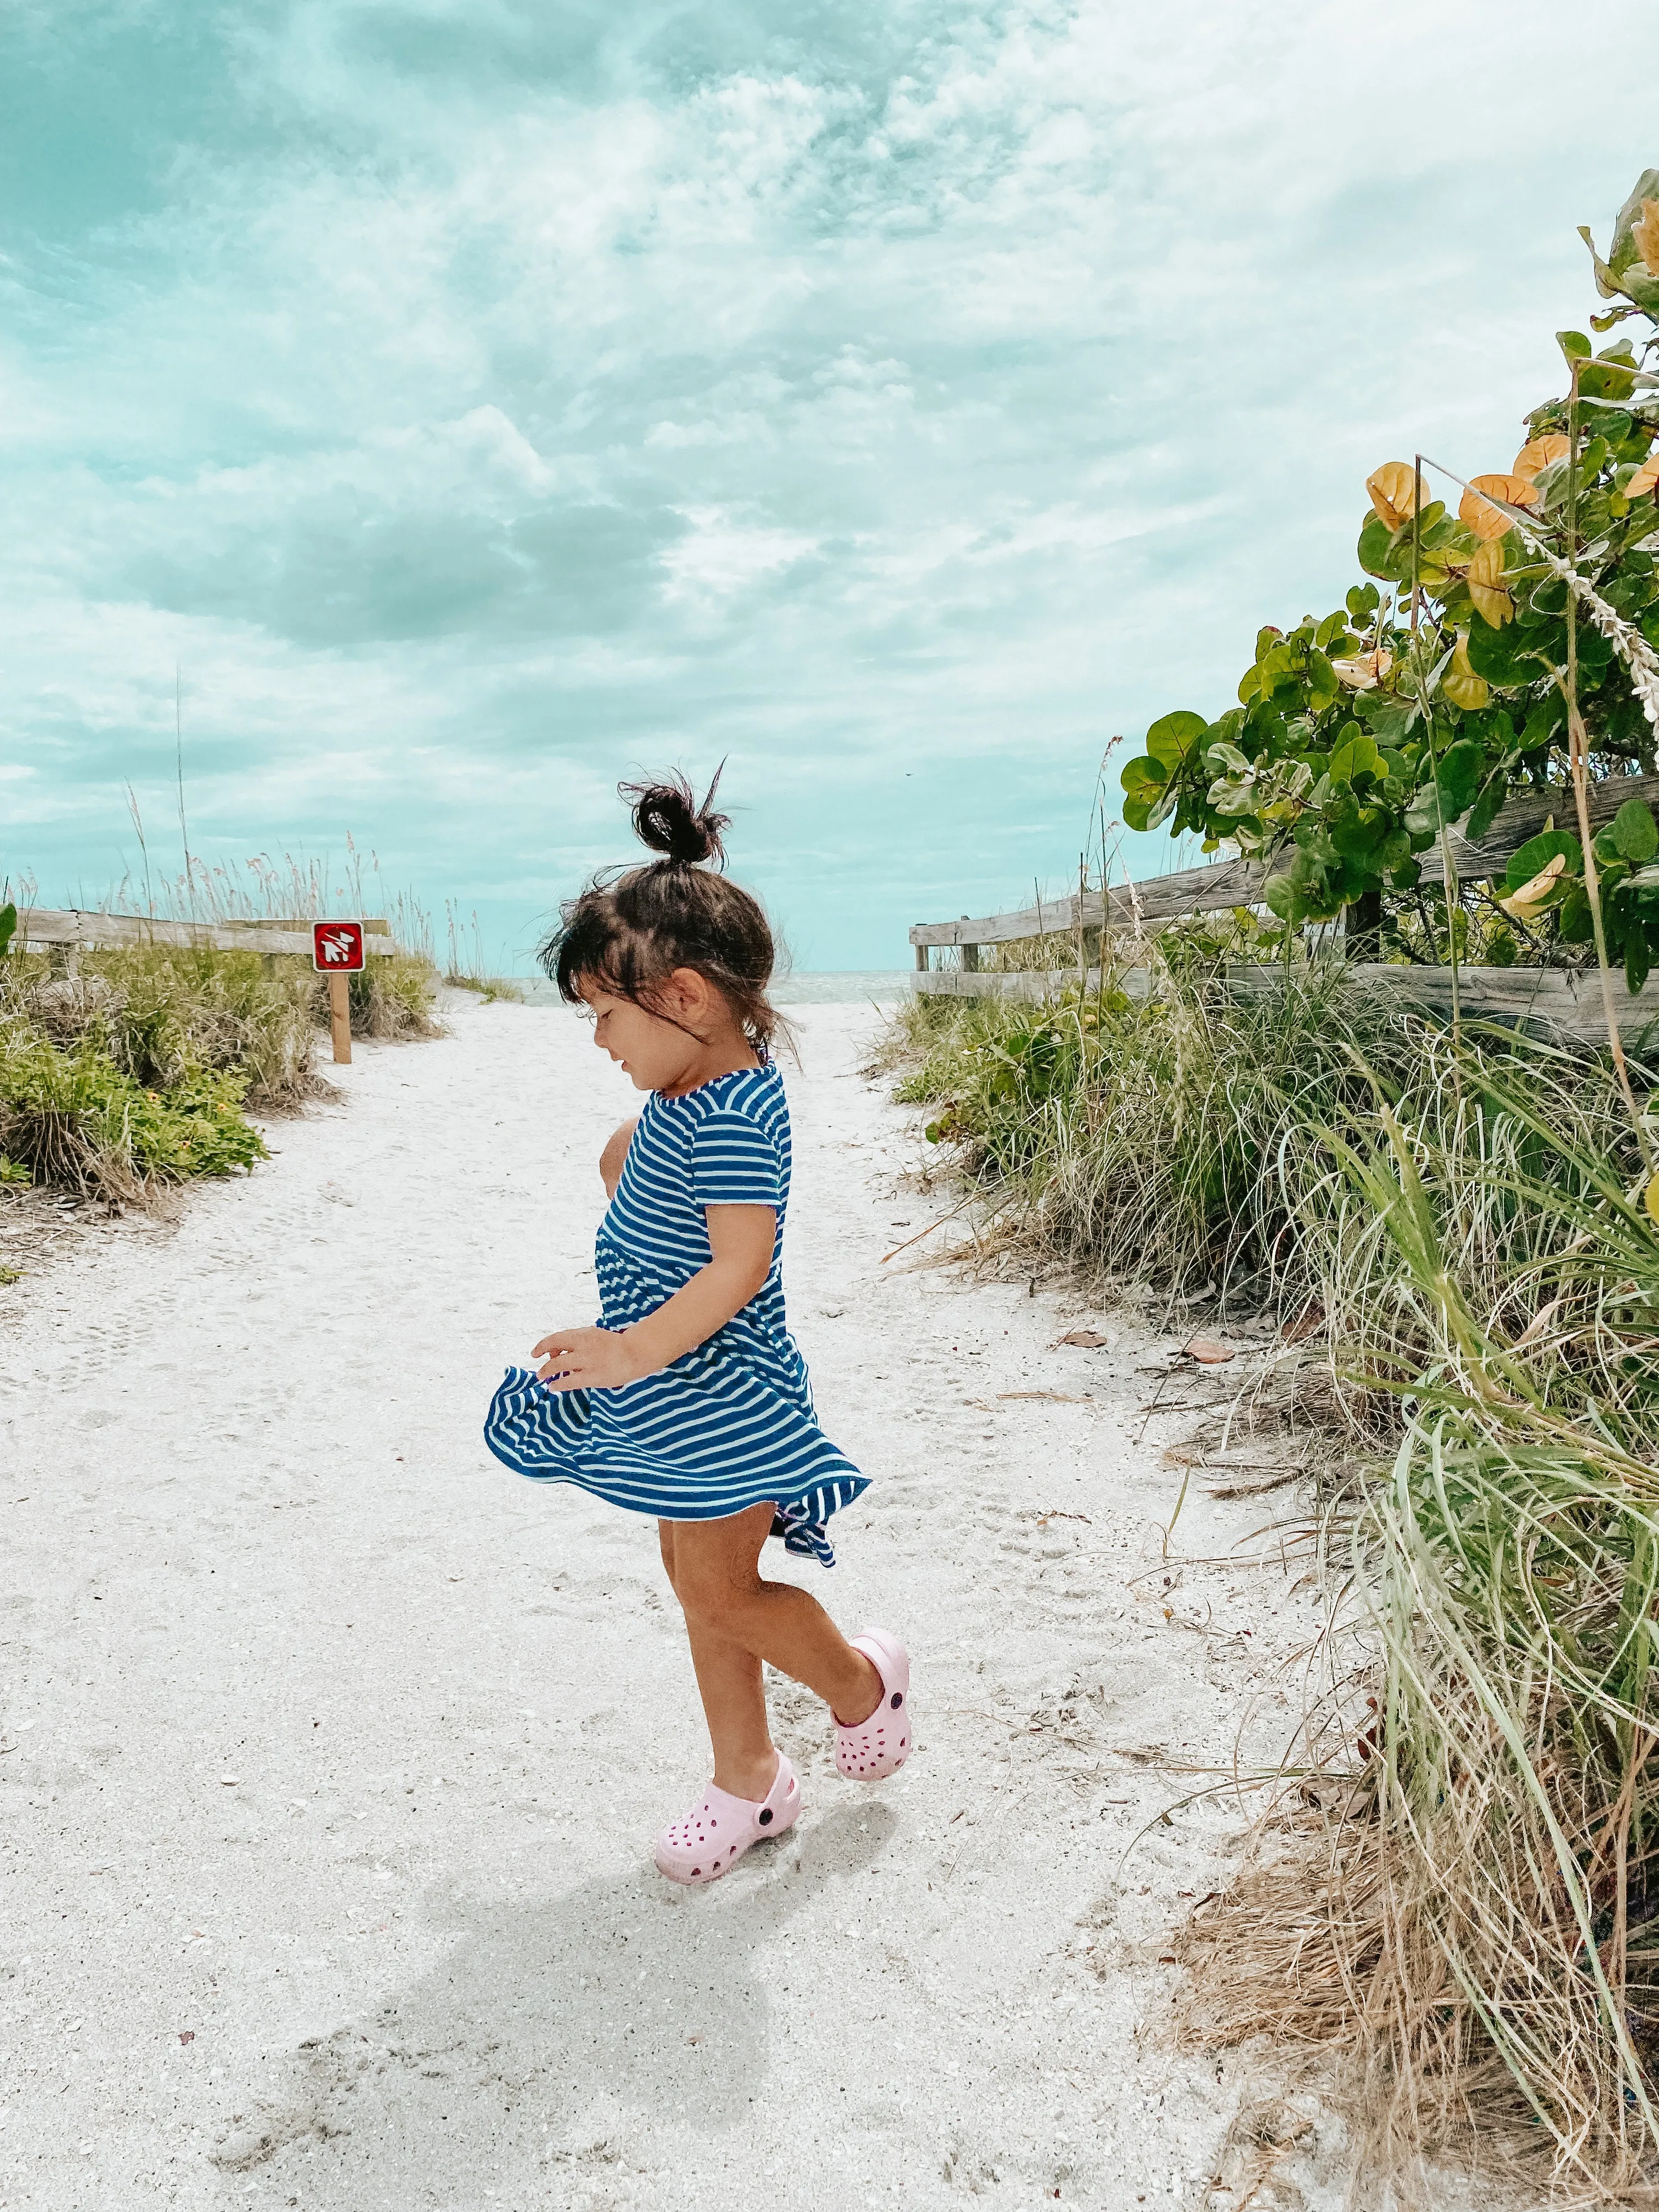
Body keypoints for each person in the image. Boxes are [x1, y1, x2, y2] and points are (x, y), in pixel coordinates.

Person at [484, 771, 911, 1883]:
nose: (599, 1041)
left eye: (607, 1016)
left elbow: (739, 1263)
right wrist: (625, 1166)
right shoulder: (690, 1101)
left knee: (724, 1585)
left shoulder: (729, 1112)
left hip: (722, 1390)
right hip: (669, 1389)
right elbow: (661, 1177)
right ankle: (751, 1777)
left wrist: (627, 1349)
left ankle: (863, 1684)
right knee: (696, 1581)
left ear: (686, 998)